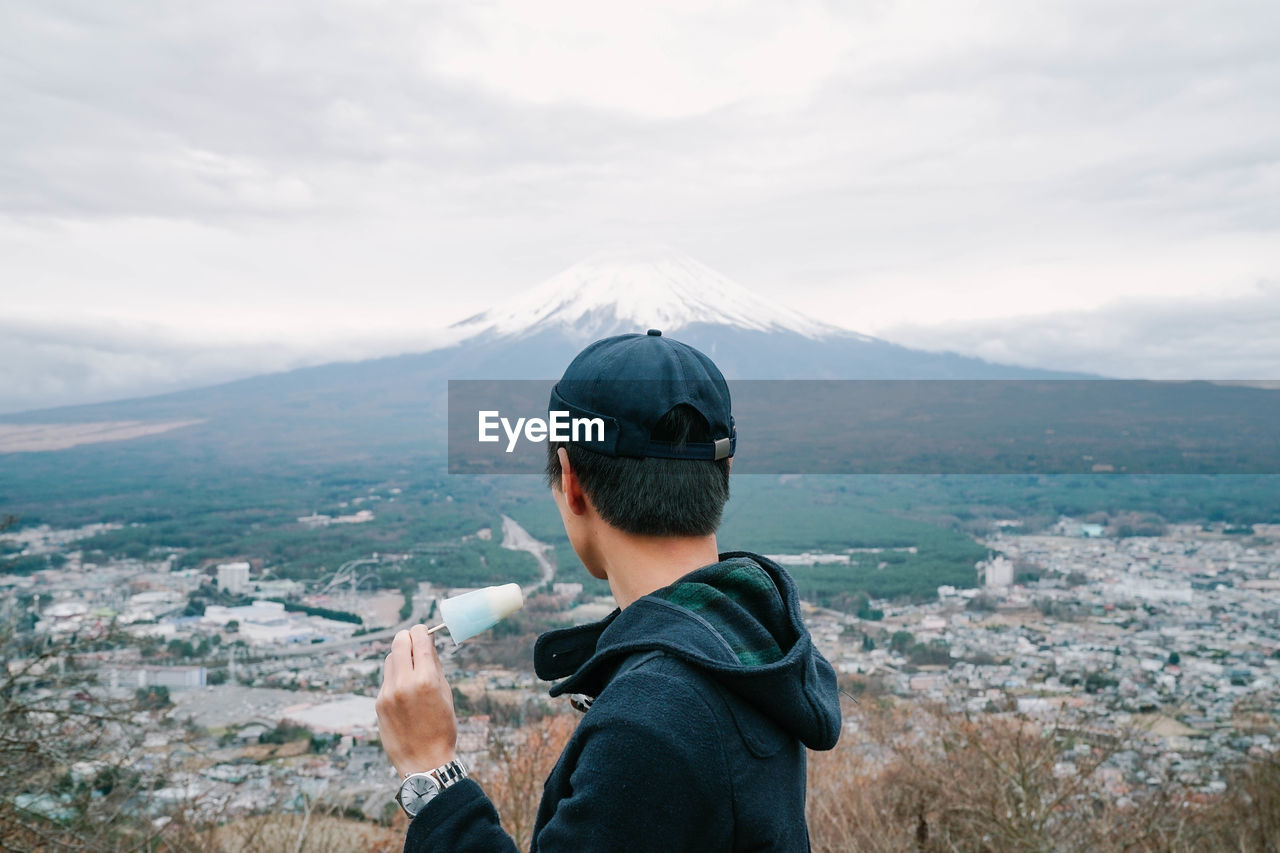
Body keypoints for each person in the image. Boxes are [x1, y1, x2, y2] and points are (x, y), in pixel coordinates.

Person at [375, 329, 842, 852]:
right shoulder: (750, 645)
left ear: (571, 480)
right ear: (726, 469)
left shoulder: (652, 722)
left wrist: (432, 772)